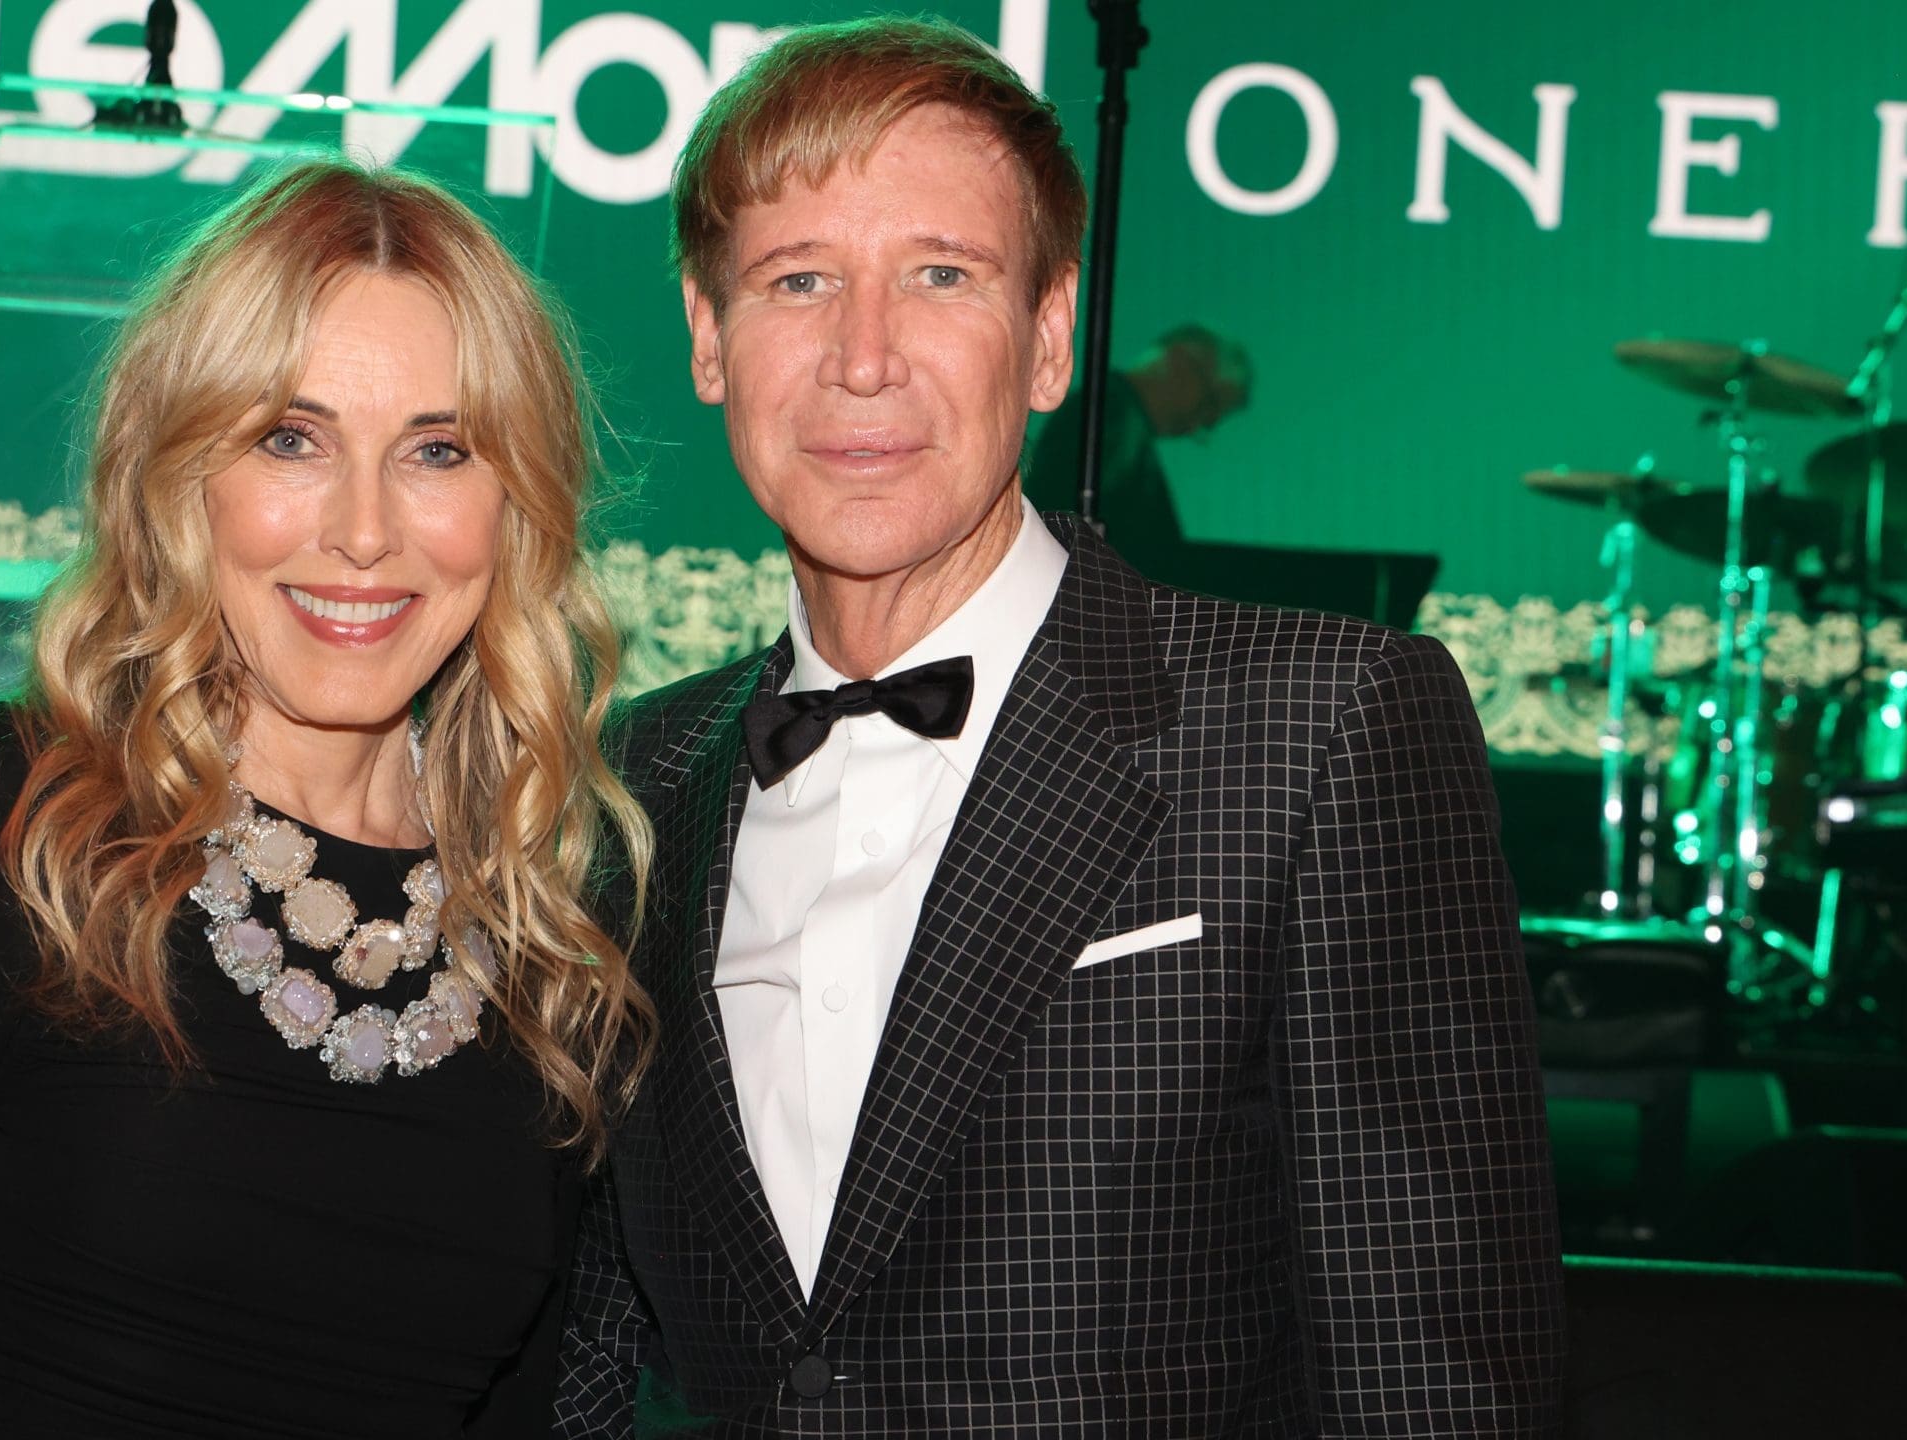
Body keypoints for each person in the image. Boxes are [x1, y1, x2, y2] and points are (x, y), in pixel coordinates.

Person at [558, 17, 1561, 1436]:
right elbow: (597, 1344)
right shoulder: (632, 782)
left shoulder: (1317, 728)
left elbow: (1431, 1370)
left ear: (1046, 340)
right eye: (799, 281)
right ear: (710, 341)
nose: (862, 357)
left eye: (940, 276)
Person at [0, 159, 653, 1439]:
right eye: (290, 440)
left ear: (514, 505)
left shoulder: (550, 928)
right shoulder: (10, 826)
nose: (363, 531)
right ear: (180, 471)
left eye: (437, 451)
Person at [1023, 323, 1253, 566]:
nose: (1204, 422)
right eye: (1211, 401)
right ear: (1181, 362)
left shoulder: (1114, 416)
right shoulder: (1113, 421)